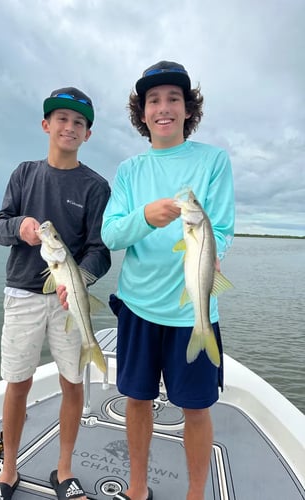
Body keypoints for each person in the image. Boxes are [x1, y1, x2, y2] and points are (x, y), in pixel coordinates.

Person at [101, 61, 235, 500]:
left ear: (187, 108)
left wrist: (216, 255)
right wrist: (145, 217)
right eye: (153, 101)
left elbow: (225, 228)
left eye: (173, 99)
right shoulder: (129, 171)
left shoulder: (214, 160)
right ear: (142, 114)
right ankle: (137, 489)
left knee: (196, 408)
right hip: (138, 307)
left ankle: (196, 494)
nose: (163, 108)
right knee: (137, 401)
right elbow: (111, 233)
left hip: (192, 309)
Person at [0, 87, 111, 500]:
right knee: (17, 382)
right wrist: (19, 226)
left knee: (72, 383)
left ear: (87, 134)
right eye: (61, 119)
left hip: (68, 300)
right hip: (21, 294)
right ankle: (8, 470)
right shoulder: (24, 173)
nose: (69, 127)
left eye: (78, 123)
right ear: (46, 125)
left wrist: (81, 279)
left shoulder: (95, 186)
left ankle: (65, 469)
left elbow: (99, 249)